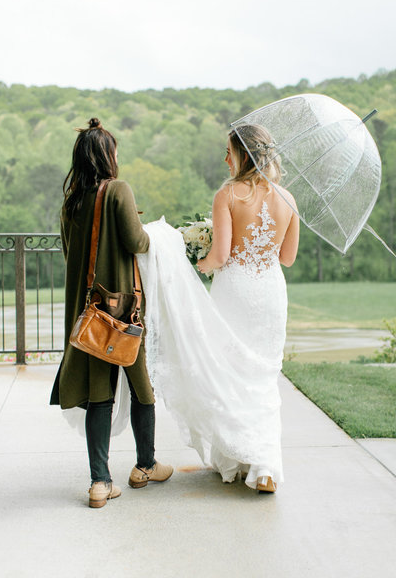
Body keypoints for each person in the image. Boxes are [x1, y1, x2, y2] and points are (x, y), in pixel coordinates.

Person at [50, 118, 173, 508]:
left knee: (99, 396)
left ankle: (100, 484)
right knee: (142, 387)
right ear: (107, 156)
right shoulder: (118, 190)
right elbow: (137, 241)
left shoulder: (71, 204)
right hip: (123, 313)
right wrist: (163, 236)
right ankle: (144, 466)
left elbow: (74, 257)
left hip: (90, 316)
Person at [196, 124, 299, 491]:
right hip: (270, 293)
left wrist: (197, 263)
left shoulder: (227, 195)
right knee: (264, 377)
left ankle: (233, 462)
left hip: (234, 292)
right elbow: (287, 258)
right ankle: (265, 468)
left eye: (229, 151)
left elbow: (221, 255)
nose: (225, 158)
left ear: (244, 154)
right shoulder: (288, 199)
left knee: (230, 373)